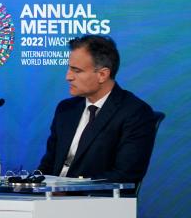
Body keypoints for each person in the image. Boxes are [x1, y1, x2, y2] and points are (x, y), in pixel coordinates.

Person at [37, 35, 156, 184]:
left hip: (92, 201)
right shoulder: (66, 109)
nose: (68, 77)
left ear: (102, 75)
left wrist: (68, 189)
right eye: (69, 68)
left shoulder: (135, 113)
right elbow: (48, 164)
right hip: (48, 200)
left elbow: (125, 175)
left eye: (77, 70)